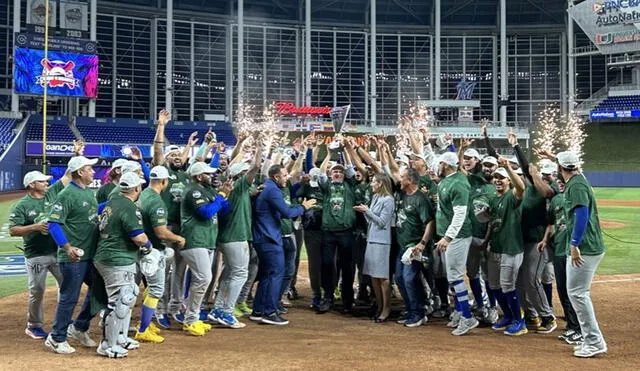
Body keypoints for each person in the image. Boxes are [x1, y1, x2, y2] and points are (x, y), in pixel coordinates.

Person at [45, 156, 100, 354]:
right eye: (89, 169)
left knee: (99, 290)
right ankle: (57, 337)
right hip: (74, 257)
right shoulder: (67, 194)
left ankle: (79, 327)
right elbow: (53, 223)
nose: (93, 171)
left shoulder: (88, 192)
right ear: (80, 173)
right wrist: (67, 247)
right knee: (69, 297)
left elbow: (91, 214)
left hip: (89, 255)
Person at [93, 172, 151, 358]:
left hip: (110, 256)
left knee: (128, 296)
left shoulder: (113, 201)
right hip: (116, 259)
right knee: (120, 301)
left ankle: (120, 338)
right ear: (136, 188)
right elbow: (138, 237)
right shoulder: (129, 207)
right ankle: (107, 345)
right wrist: (150, 248)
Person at [556, 151, 607, 358]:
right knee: (577, 293)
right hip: (589, 246)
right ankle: (590, 339)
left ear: (560, 169)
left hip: (584, 247)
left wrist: (574, 244)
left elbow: (581, 215)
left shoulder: (576, 186)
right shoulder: (579, 179)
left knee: (577, 293)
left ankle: (594, 342)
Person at [250, 165, 315, 325]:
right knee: (276, 273)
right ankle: (270, 312)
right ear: (276, 177)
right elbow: (287, 213)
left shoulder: (267, 187)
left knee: (267, 274)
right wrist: (303, 207)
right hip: (269, 238)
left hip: (263, 237)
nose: (287, 178)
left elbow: (280, 211)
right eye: (284, 175)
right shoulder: (272, 190)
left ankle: (258, 310)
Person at [9, 170, 70, 339]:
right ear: (32, 185)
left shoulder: (52, 194)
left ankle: (63, 319)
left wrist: (77, 154)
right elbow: (13, 230)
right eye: (42, 181)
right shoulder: (22, 205)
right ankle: (34, 325)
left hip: (57, 251)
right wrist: (34, 227)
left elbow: (68, 176)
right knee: (37, 290)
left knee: (66, 285)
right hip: (36, 254)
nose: (46, 183)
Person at [209, 153, 261, 329]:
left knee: (229, 273)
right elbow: (255, 168)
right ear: (240, 175)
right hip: (235, 237)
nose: (250, 176)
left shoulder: (232, 189)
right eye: (245, 173)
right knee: (240, 273)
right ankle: (227, 311)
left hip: (227, 237)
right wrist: (259, 150)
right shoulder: (239, 186)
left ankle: (218, 309)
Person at [179, 162, 232, 336]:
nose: (212, 176)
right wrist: (220, 195)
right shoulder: (192, 190)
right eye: (207, 174)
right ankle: (190, 319)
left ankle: (192, 316)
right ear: (199, 176)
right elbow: (206, 213)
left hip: (207, 241)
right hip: (194, 240)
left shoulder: (208, 190)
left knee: (201, 280)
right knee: (204, 278)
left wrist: (224, 195)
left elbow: (224, 211)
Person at [135, 166, 186, 343]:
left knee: (149, 286)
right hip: (153, 250)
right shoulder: (157, 202)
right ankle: (143, 329)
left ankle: (146, 323)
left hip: (141, 248)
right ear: (164, 182)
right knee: (156, 288)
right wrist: (178, 238)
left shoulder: (142, 194)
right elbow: (162, 233)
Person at [152, 109, 192, 326]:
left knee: (179, 270)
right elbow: (158, 151)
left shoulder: (185, 176)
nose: (177, 158)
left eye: (179, 156)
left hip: (182, 228)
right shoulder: (162, 172)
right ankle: (159, 310)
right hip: (164, 228)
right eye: (172, 155)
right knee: (164, 271)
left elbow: (184, 157)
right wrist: (161, 126)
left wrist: (188, 148)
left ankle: (175, 307)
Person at [435, 151, 479, 336]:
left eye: (439, 163)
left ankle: (468, 317)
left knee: (455, 276)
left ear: (445, 164)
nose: (437, 166)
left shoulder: (458, 184)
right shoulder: (450, 180)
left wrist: (448, 237)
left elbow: (460, 214)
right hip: (450, 235)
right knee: (452, 275)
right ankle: (460, 311)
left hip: (457, 236)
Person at [535, 174, 582, 345]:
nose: (561, 185)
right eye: (559, 183)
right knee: (563, 289)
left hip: (571, 250)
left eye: (563, 182)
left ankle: (579, 329)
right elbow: (551, 223)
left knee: (573, 291)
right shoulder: (555, 201)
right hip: (558, 248)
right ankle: (572, 325)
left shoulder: (575, 198)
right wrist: (546, 240)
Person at [483, 161, 527, 336]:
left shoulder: (512, 197)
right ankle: (508, 316)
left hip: (511, 248)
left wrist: (508, 168)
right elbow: (492, 224)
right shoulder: (494, 199)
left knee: (507, 285)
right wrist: (485, 242)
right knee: (494, 285)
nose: (498, 180)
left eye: (501, 178)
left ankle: (519, 321)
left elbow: (521, 188)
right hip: (496, 247)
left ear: (509, 180)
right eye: (496, 177)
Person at [317, 160, 358, 314]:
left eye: (340, 172)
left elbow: (350, 169)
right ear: (330, 174)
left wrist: (346, 151)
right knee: (327, 264)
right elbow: (321, 174)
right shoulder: (327, 187)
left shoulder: (350, 185)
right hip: (328, 232)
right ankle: (327, 297)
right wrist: (328, 154)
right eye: (335, 171)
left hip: (346, 232)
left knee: (347, 266)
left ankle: (347, 299)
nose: (338, 173)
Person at [354, 174, 395, 322]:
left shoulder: (389, 200)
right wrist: (365, 212)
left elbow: (383, 222)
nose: (371, 184)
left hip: (382, 241)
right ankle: (379, 305)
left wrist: (367, 211)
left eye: (373, 182)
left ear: (380, 183)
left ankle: (386, 308)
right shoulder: (376, 197)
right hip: (372, 239)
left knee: (382, 277)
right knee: (373, 276)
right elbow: (371, 221)